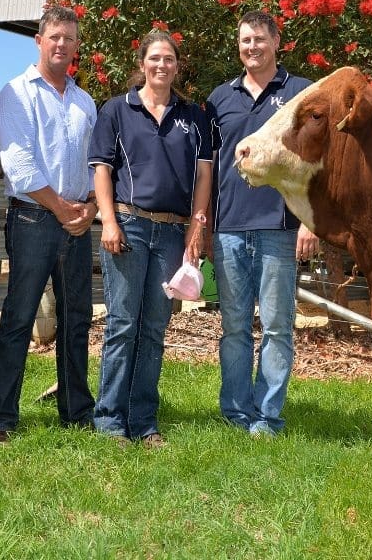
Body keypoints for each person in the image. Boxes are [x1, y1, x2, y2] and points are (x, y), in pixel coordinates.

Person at [89, 31, 212, 447]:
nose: (162, 65)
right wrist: (108, 221)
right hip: (129, 226)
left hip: (173, 232)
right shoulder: (115, 111)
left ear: (178, 66)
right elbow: (102, 170)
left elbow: (204, 177)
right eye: (155, 58)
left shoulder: (193, 117)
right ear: (142, 64)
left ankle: (144, 422)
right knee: (123, 325)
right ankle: (108, 421)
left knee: (155, 328)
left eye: (170, 59)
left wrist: (197, 228)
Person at [0, 7, 98, 443]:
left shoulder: (84, 102)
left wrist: (88, 207)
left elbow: (93, 164)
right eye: (54, 36)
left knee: (76, 318)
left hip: (75, 222)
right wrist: (60, 208)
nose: (61, 44)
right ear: (39, 40)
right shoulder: (14, 94)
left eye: (69, 38)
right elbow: (19, 164)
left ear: (75, 45)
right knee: (18, 317)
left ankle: (76, 411)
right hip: (33, 220)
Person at [206, 11, 317, 438]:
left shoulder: (299, 93)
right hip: (229, 228)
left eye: (258, 39)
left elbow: (316, 164)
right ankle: (236, 412)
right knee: (233, 327)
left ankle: (267, 417)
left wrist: (309, 221)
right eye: (244, 40)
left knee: (276, 326)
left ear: (276, 42)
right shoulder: (220, 98)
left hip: (280, 227)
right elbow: (209, 167)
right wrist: (206, 226)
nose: (251, 46)